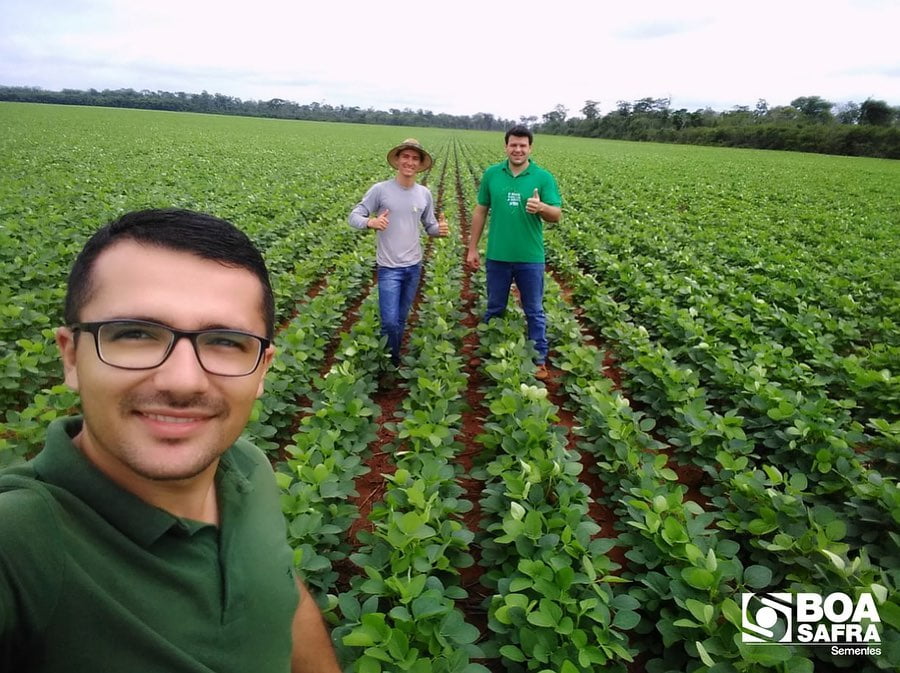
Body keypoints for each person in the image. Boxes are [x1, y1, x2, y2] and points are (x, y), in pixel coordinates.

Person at [0, 209, 341, 673]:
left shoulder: (248, 468)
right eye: (135, 333)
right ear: (71, 357)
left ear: (262, 369)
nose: (184, 381)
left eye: (225, 340)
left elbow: (282, 598)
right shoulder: (21, 545)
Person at [466, 126, 562, 380]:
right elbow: (480, 211)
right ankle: (489, 351)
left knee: (533, 309)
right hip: (498, 255)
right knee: (494, 306)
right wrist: (473, 247)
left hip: (530, 257)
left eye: (523, 145)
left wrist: (541, 207)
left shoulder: (542, 177)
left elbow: (556, 215)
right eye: (513, 145)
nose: (518, 150)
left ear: (530, 148)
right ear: (506, 146)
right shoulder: (492, 174)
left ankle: (539, 358)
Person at [349, 138, 449, 366]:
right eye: (406, 156)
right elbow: (353, 216)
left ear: (420, 164)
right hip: (389, 268)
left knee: (402, 318)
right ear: (398, 160)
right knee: (390, 322)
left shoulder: (424, 194)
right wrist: (370, 223)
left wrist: (439, 230)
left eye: (415, 158)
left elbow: (430, 226)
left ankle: (392, 358)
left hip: (414, 266)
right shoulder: (380, 190)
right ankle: (389, 361)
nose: (410, 162)